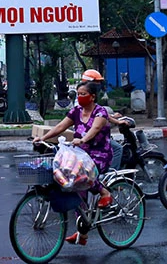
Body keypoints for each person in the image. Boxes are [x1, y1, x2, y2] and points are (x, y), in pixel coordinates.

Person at [34, 81, 114, 246]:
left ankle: (105, 192)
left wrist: (83, 139)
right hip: (80, 154)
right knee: (72, 186)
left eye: (83, 94)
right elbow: (61, 126)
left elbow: (96, 129)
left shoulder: (101, 112)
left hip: (100, 154)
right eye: (78, 94)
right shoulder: (76, 111)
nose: (80, 97)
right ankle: (82, 232)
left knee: (84, 176)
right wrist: (43, 138)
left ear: (93, 96)